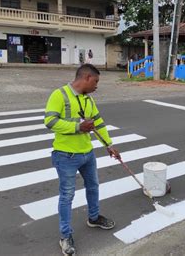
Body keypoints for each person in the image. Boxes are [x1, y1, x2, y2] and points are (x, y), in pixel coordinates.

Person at [44, 64, 121, 256]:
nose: (96, 86)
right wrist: (78, 127)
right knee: (67, 196)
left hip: (87, 153)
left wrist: (109, 145)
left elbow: (98, 123)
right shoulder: (59, 95)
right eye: (95, 81)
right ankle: (65, 236)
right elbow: (50, 122)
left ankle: (93, 218)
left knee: (93, 187)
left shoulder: (88, 100)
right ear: (86, 78)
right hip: (66, 156)